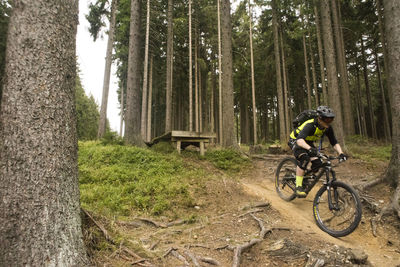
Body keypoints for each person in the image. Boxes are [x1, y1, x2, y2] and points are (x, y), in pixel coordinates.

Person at [288, 106, 347, 197]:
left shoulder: (327, 128)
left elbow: (334, 142)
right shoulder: (310, 125)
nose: (329, 122)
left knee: (317, 163)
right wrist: (310, 149)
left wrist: (341, 153)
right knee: (305, 158)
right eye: (326, 120)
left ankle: (304, 176)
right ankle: (298, 186)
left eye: (331, 120)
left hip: (307, 141)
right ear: (320, 118)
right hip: (296, 140)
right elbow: (299, 141)